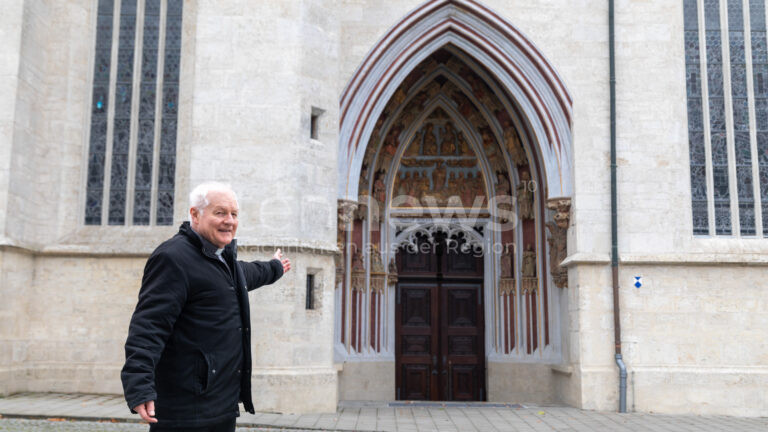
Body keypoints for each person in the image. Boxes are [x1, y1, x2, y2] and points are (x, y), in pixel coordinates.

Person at [121, 182, 291, 431]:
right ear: (195, 214)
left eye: (234, 214)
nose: (229, 221)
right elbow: (149, 326)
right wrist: (139, 385)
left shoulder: (223, 260)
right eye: (220, 212)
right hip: (187, 410)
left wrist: (275, 267)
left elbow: (248, 274)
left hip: (221, 405)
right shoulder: (173, 258)